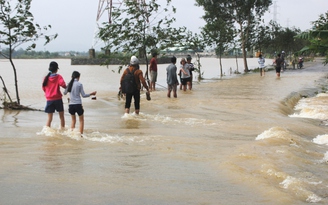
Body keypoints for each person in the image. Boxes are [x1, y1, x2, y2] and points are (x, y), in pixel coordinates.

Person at [42, 61, 67, 129]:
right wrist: (67, 88)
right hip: (58, 99)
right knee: (61, 117)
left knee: (49, 119)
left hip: (49, 100)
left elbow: (44, 88)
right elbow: (63, 85)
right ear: (56, 69)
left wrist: (48, 93)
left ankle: (46, 130)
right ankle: (62, 130)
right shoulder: (58, 77)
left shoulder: (45, 78)